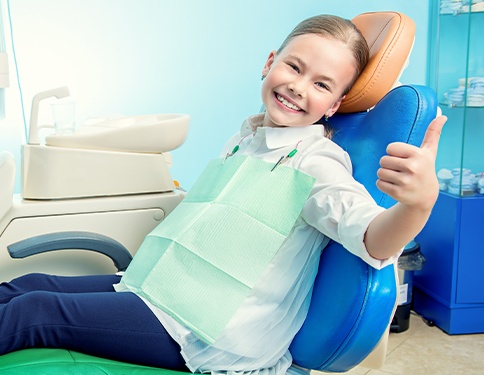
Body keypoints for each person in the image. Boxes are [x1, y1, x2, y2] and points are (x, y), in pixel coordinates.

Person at [0, 14, 446, 375]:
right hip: (164, 292)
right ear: (270, 62)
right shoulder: (246, 137)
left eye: (322, 85)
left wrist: (418, 203)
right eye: (294, 67)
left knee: (34, 312)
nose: (298, 86)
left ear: (333, 105)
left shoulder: (318, 161)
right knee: (27, 286)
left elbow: (373, 237)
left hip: (207, 331)